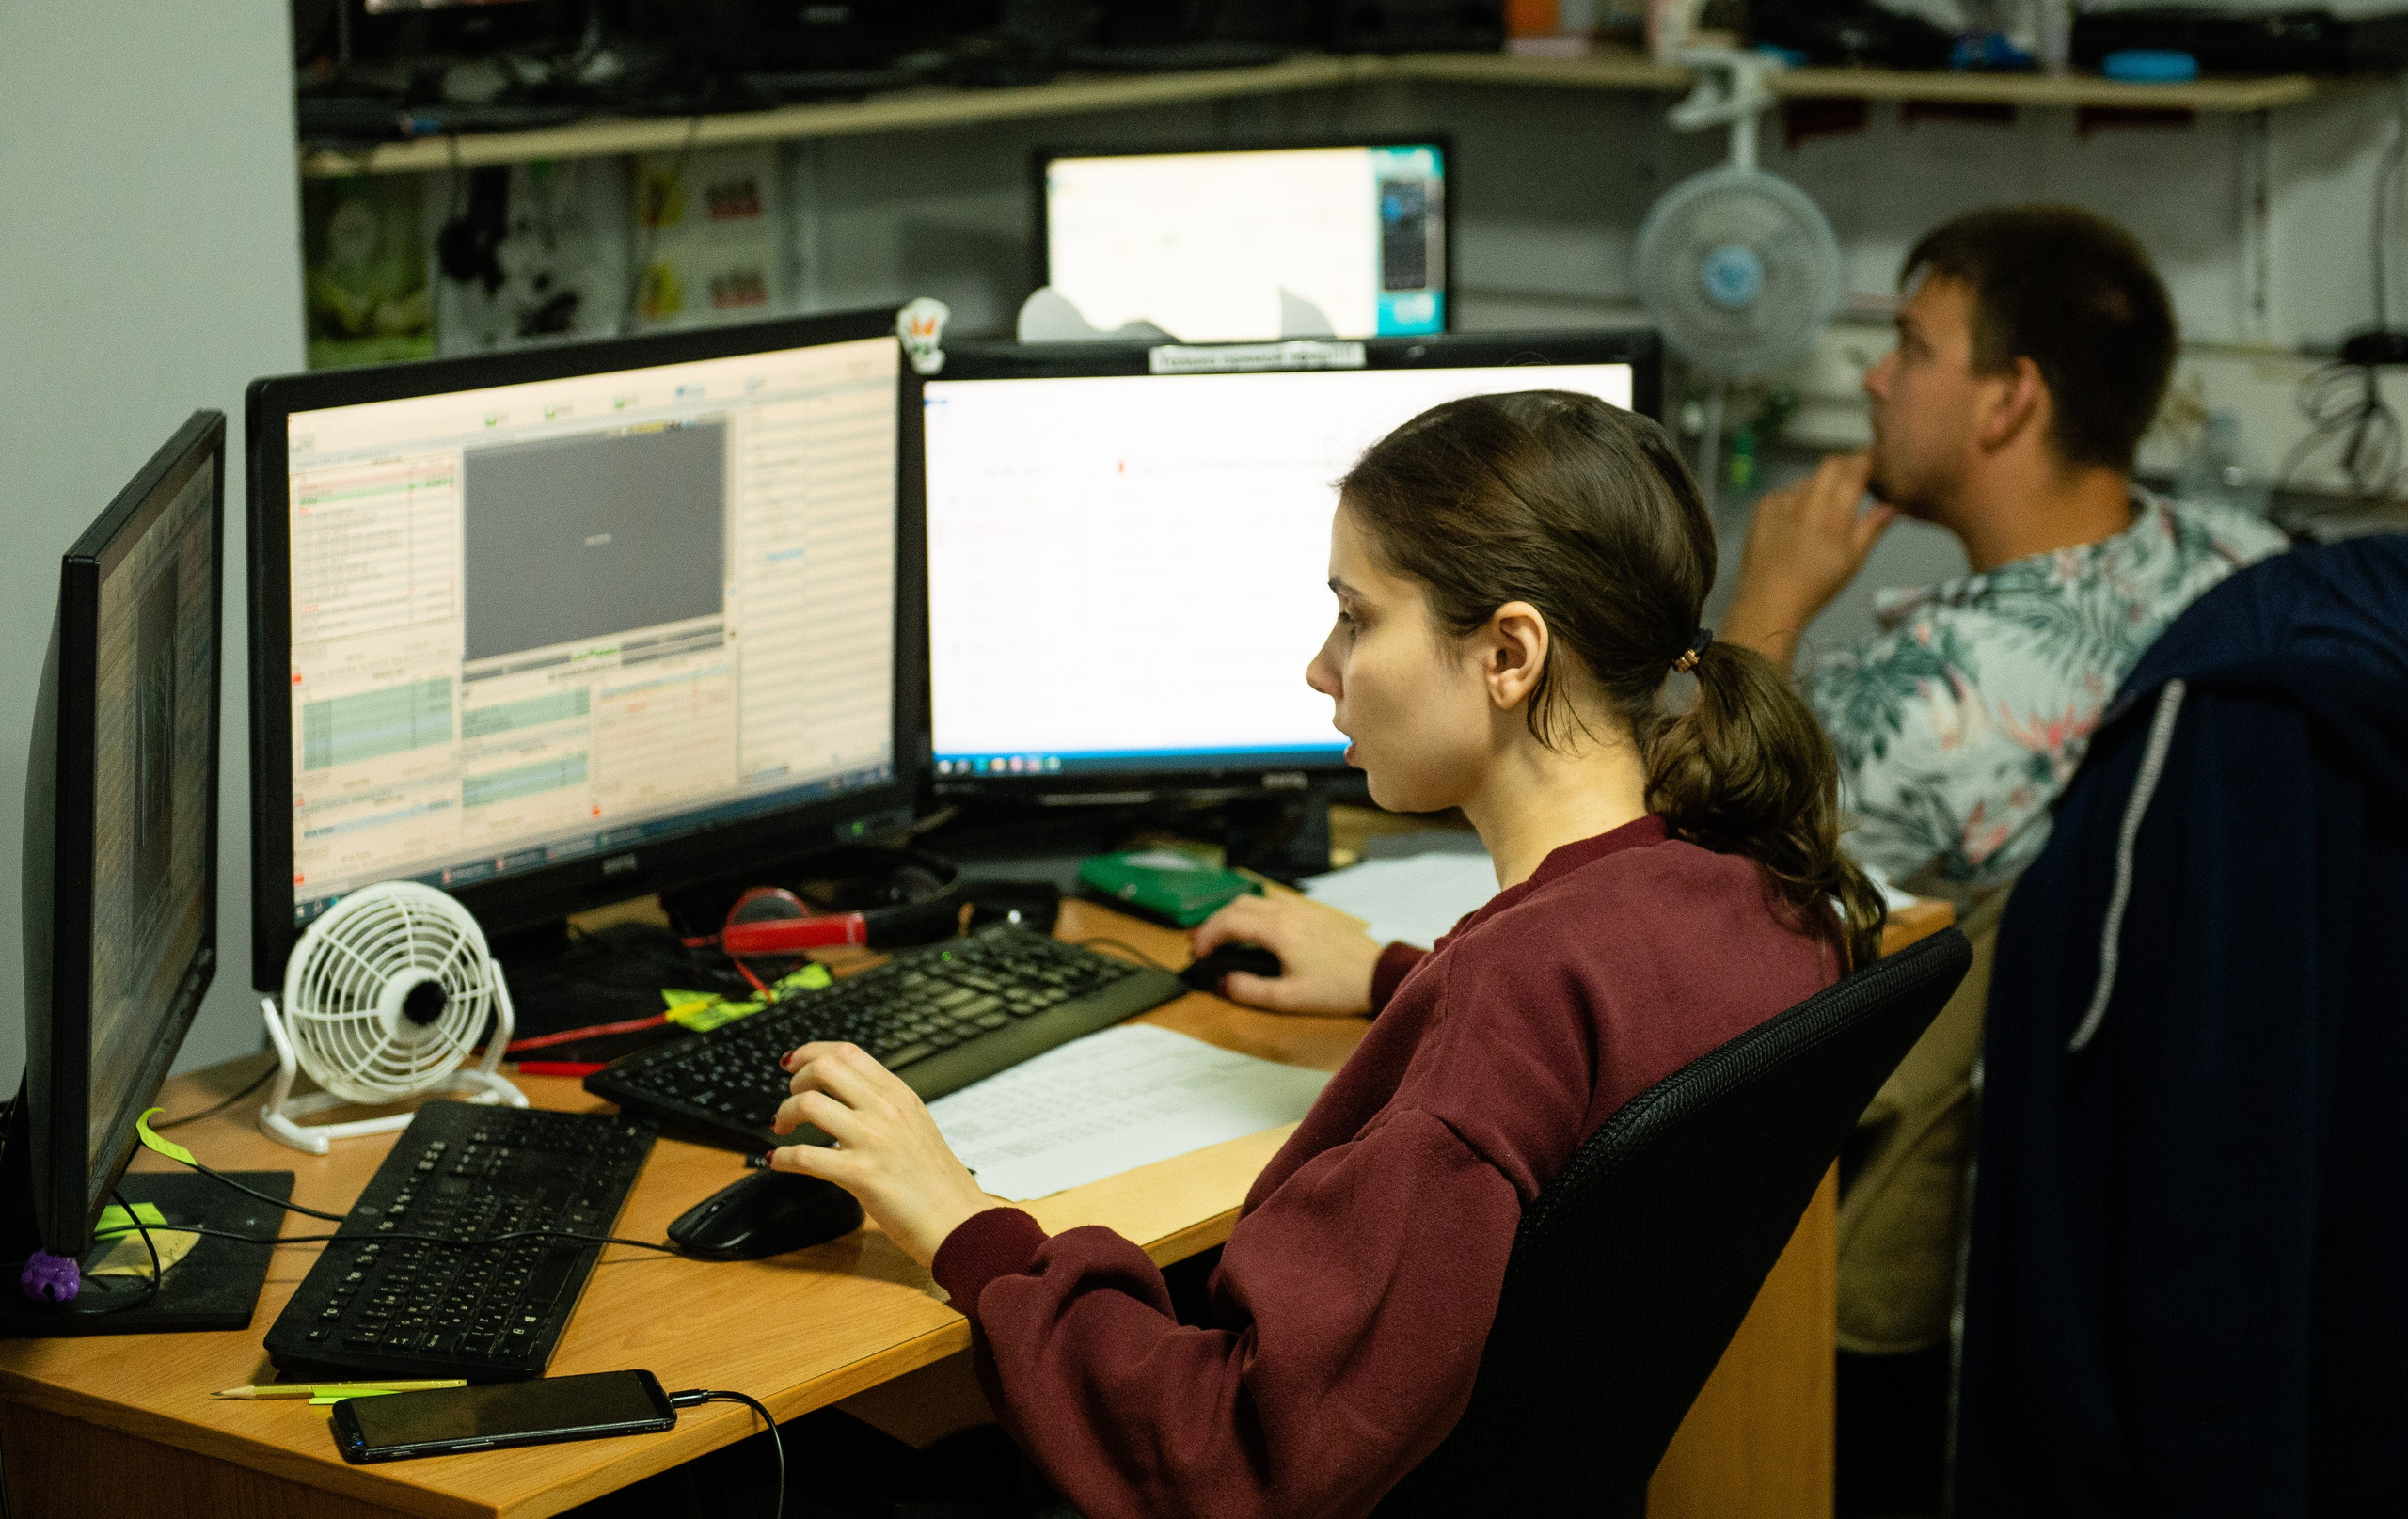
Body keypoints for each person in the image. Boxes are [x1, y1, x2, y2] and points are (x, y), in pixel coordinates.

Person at [764, 389, 1885, 1519]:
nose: (1320, 665)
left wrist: (966, 1225)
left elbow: (1237, 1463)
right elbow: (1598, 1063)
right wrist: (1398, 980)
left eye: (1356, 617)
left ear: (1509, 653)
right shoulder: (1756, 894)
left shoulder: (1516, 987)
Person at [1715, 204, 2287, 1514]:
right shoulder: (2246, 573)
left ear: (2008, 400)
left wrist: (1766, 607)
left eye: (1913, 347)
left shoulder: (1926, 714)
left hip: (1921, 1318)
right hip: (2206, 1236)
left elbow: (1673, 894)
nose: (1874, 378)